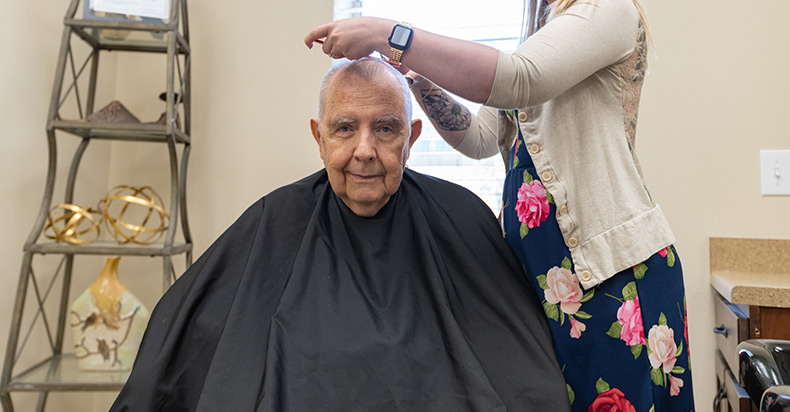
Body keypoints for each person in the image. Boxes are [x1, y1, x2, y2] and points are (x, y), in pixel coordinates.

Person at [304, 0, 694, 411]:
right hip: (550, 274)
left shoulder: (610, 10)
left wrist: (390, 33)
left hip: (612, 271)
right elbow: (482, 138)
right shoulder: (540, 36)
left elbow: (519, 80)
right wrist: (414, 75)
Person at [109, 58, 571, 412]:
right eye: (345, 129)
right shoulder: (275, 221)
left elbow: (523, 374)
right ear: (319, 136)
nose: (364, 151)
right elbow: (188, 355)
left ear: (410, 137)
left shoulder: (461, 218)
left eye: (385, 129)